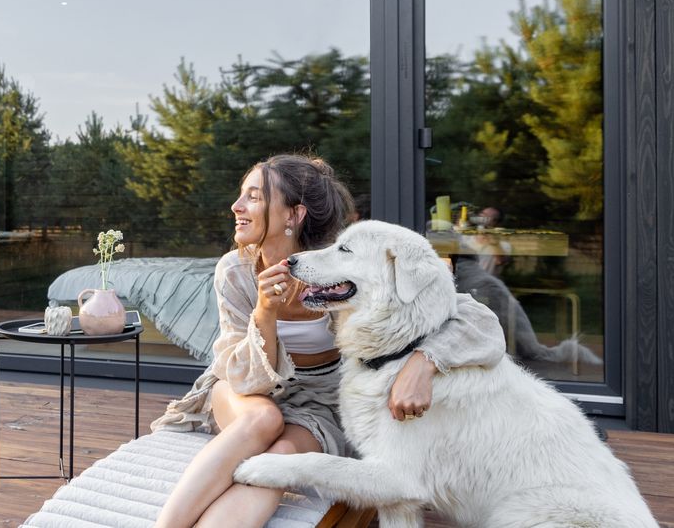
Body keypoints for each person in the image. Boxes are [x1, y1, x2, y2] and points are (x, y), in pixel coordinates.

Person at [149, 154, 507, 527]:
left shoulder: (344, 265)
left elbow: (478, 319)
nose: (236, 206)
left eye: (253, 197)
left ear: (294, 215)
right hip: (247, 393)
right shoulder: (235, 271)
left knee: (281, 458)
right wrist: (265, 312)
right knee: (264, 419)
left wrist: (423, 362)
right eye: (242, 195)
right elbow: (244, 380)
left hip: (320, 404)